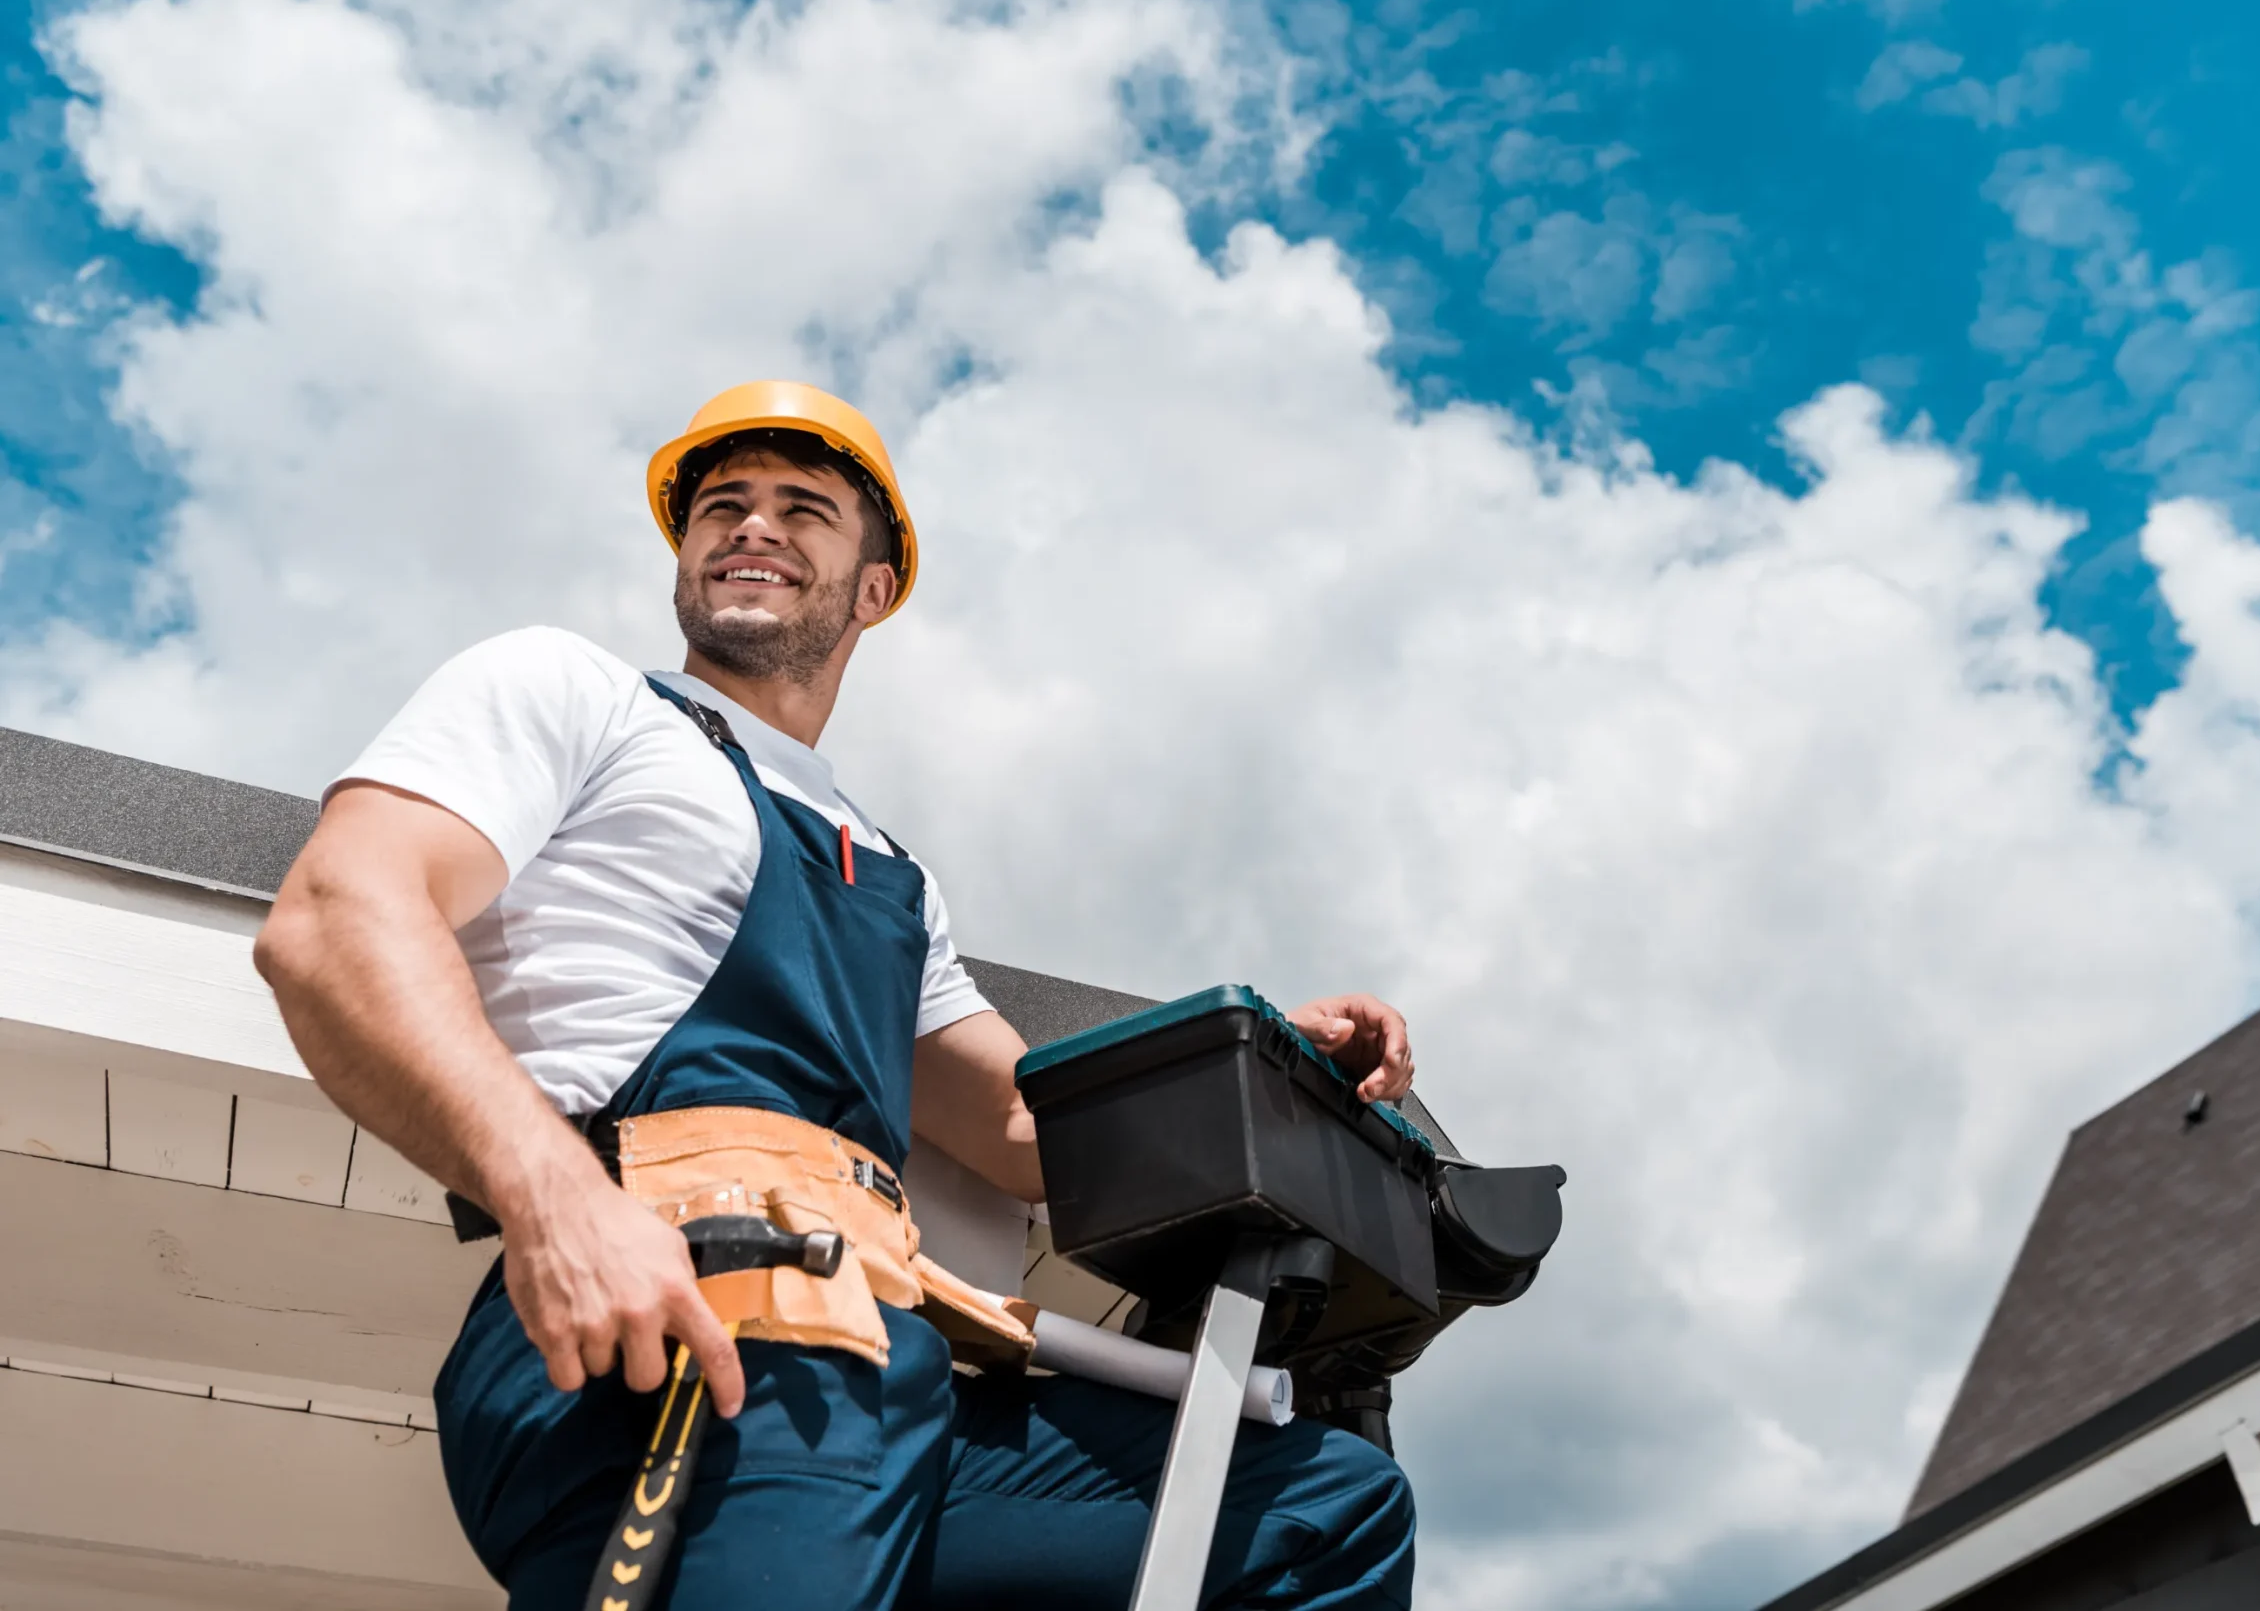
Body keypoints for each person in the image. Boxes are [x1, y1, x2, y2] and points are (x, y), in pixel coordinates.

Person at [254, 381, 1420, 1609]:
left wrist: (1266, 1057)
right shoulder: (575, 697)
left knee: (1318, 1510)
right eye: (722, 506)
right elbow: (336, 921)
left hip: (890, 1363)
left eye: (802, 508)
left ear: (873, 589)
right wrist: (554, 1201)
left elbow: (1026, 1137)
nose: (751, 527)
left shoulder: (894, 873)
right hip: (685, 1321)